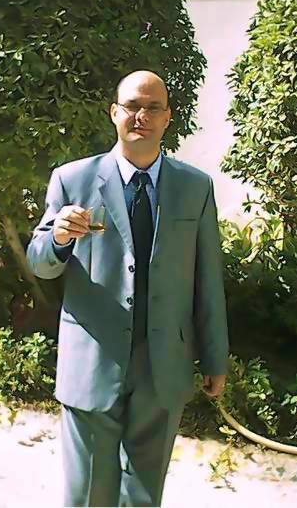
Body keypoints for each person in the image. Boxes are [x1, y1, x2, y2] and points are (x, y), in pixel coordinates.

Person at [26, 70, 229, 507]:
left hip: (163, 368)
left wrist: (215, 356)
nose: (142, 116)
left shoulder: (196, 187)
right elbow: (39, 262)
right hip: (93, 362)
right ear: (114, 113)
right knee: (88, 496)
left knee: (143, 497)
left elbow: (208, 279)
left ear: (168, 117)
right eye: (133, 106)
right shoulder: (72, 179)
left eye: (153, 108)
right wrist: (58, 237)